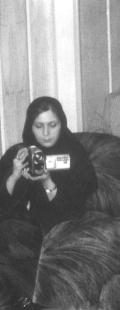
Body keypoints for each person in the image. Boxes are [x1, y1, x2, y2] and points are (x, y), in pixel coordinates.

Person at [0, 97, 97, 234]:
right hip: (21, 228)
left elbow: (73, 210)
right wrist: (14, 176)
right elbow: (3, 206)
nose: (46, 133)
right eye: (39, 126)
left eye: (52, 125)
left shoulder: (75, 154)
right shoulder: (19, 154)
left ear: (61, 124)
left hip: (61, 228)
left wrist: (47, 181)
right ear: (30, 127)